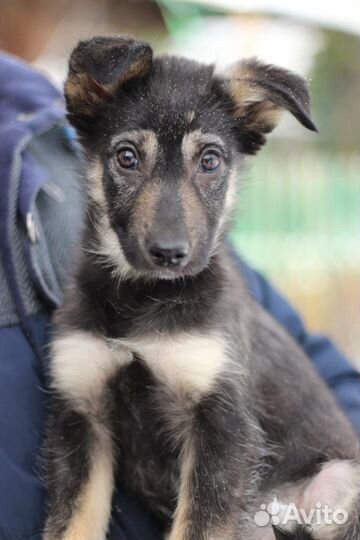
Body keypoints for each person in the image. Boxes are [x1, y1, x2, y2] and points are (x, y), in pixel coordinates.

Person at [1, 51, 359, 540]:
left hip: (310, 483)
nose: (171, 235)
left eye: (207, 161)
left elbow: (228, 443)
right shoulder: (81, 315)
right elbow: (81, 455)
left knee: (343, 484)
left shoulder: (218, 302)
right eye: (130, 159)